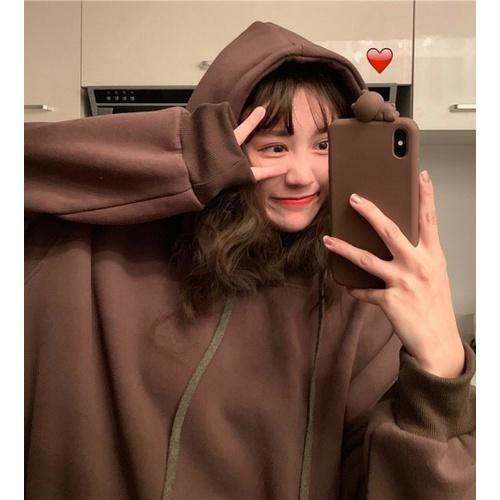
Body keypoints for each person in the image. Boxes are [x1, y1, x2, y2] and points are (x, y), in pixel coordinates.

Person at [25, 21, 475, 500]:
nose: (301, 176)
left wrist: (440, 370)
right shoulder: (101, 253)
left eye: (324, 146)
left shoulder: (360, 296)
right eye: (274, 147)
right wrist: (189, 157)